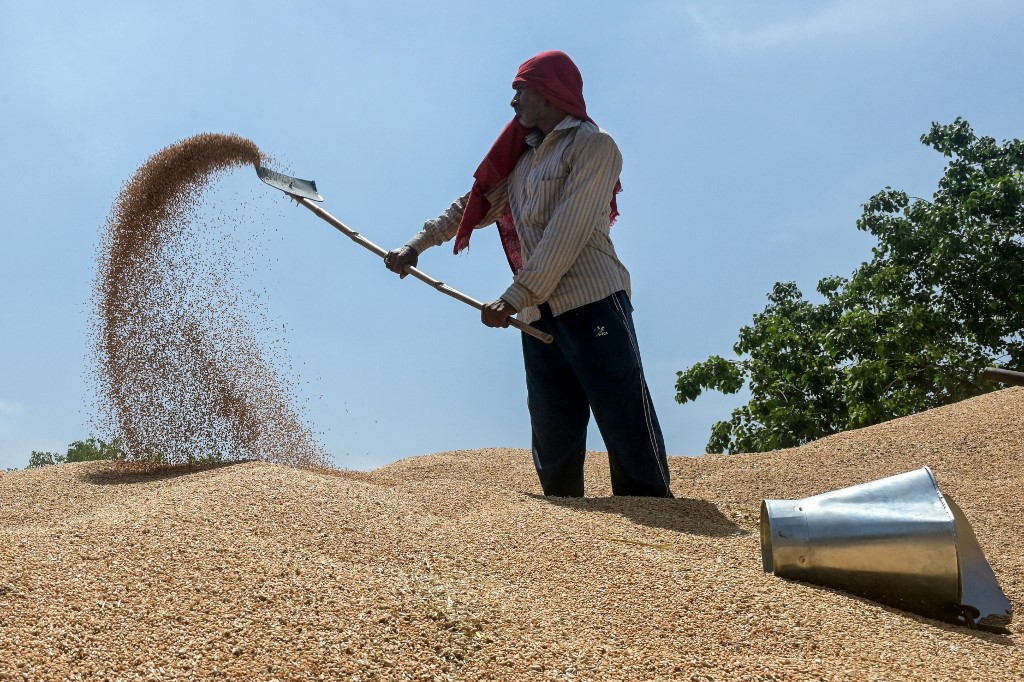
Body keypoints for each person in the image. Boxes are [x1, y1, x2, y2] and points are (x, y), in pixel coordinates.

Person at [385, 50, 671, 498]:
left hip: (593, 303)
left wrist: (516, 295)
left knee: (624, 418)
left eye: (521, 89)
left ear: (550, 92)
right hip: (538, 315)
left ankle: (656, 520)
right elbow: (471, 206)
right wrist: (416, 245)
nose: (513, 101)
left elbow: (569, 229)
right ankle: (561, 533)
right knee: (552, 433)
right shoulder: (522, 160)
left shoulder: (595, 147)